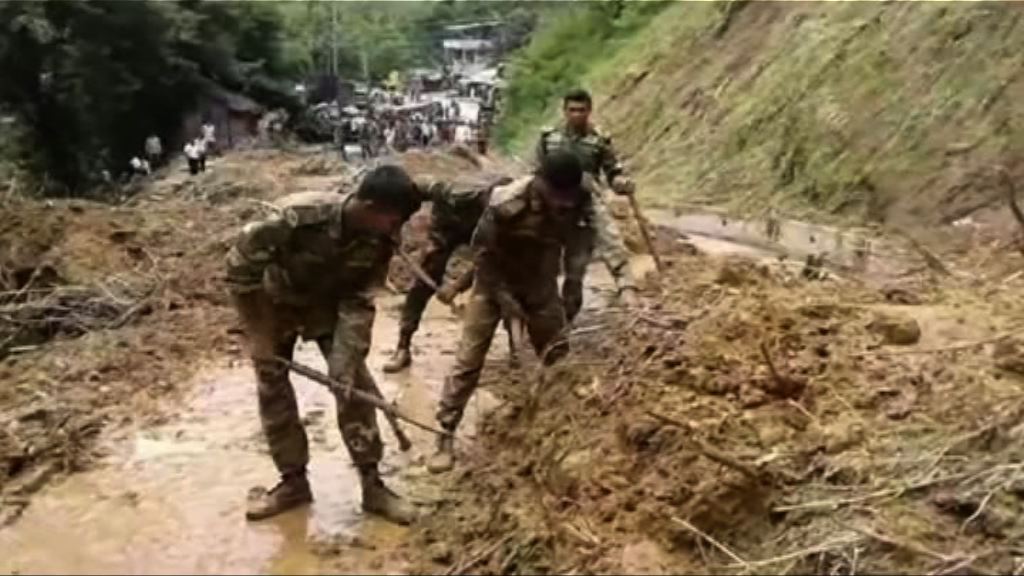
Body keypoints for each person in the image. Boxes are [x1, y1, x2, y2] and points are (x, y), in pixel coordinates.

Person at [225, 165, 423, 524]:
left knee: (351, 384)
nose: (396, 231)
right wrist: (259, 334)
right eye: (392, 220)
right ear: (367, 205)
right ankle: (293, 482)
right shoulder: (294, 217)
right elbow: (240, 271)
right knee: (272, 388)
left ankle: (372, 485)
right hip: (275, 302)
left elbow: (361, 297)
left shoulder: (380, 239)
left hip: (328, 307)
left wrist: (345, 359)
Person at [426, 152, 596, 473]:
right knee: (469, 359)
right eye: (555, 196)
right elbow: (484, 256)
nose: (561, 204)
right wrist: (504, 298)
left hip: (540, 283)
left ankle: (555, 419)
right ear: (540, 182)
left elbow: (583, 241)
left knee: (558, 353)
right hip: (494, 283)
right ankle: (444, 433)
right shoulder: (506, 203)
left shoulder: (582, 198)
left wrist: (573, 283)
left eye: (567, 198)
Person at [382, 173, 514, 373]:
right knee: (424, 282)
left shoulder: (510, 214)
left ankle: (515, 347)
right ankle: (403, 346)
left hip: (484, 237)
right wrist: (394, 227)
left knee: (504, 282)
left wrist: (457, 285)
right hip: (447, 228)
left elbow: (487, 257)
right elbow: (412, 192)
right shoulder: (451, 193)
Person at [536, 88, 638, 322]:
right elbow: (536, 171)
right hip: (551, 200)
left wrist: (621, 182)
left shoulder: (599, 141)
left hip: (584, 200)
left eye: (581, 110)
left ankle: (626, 284)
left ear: (589, 111)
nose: (577, 115)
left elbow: (613, 172)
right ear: (564, 111)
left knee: (599, 243)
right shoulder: (549, 138)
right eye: (572, 110)